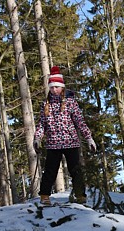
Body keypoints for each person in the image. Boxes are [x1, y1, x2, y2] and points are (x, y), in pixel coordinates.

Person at [34, 66, 96, 206]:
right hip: (53, 143)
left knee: (75, 170)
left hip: (71, 142)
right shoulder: (46, 104)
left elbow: (79, 121)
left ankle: (80, 194)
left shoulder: (70, 102)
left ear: (62, 87)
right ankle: (44, 195)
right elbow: (42, 124)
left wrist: (89, 138)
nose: (54, 90)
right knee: (50, 170)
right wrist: (37, 138)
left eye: (57, 87)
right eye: (52, 87)